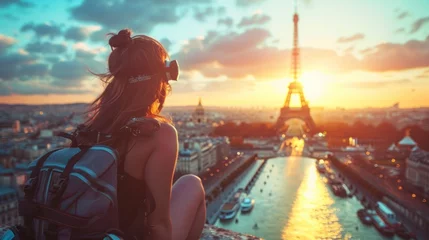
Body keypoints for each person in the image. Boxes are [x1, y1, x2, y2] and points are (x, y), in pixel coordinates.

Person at [76, 29, 206, 240]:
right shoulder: (158, 133)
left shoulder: (89, 129)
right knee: (192, 184)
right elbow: (159, 225)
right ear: (160, 81)